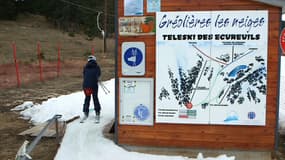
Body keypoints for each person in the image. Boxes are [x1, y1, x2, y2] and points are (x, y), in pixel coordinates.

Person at [82, 55, 101, 122]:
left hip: (86, 85)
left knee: (87, 98)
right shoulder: (97, 67)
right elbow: (98, 75)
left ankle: (86, 112)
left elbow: (84, 75)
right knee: (95, 98)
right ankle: (97, 112)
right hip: (94, 85)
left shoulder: (85, 67)